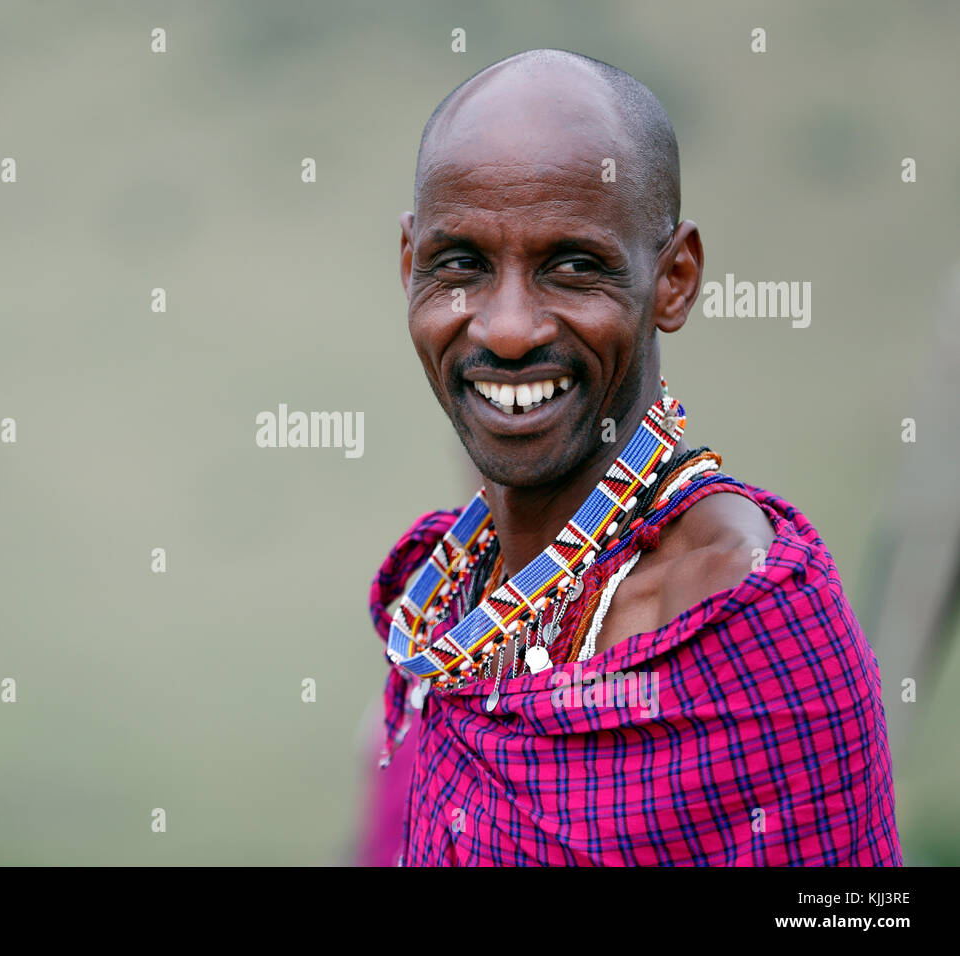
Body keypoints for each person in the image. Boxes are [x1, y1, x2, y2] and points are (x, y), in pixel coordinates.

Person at [366, 49, 902, 866]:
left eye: (574, 267)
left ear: (674, 280)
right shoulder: (448, 605)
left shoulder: (748, 616)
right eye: (461, 264)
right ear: (411, 269)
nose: (508, 329)